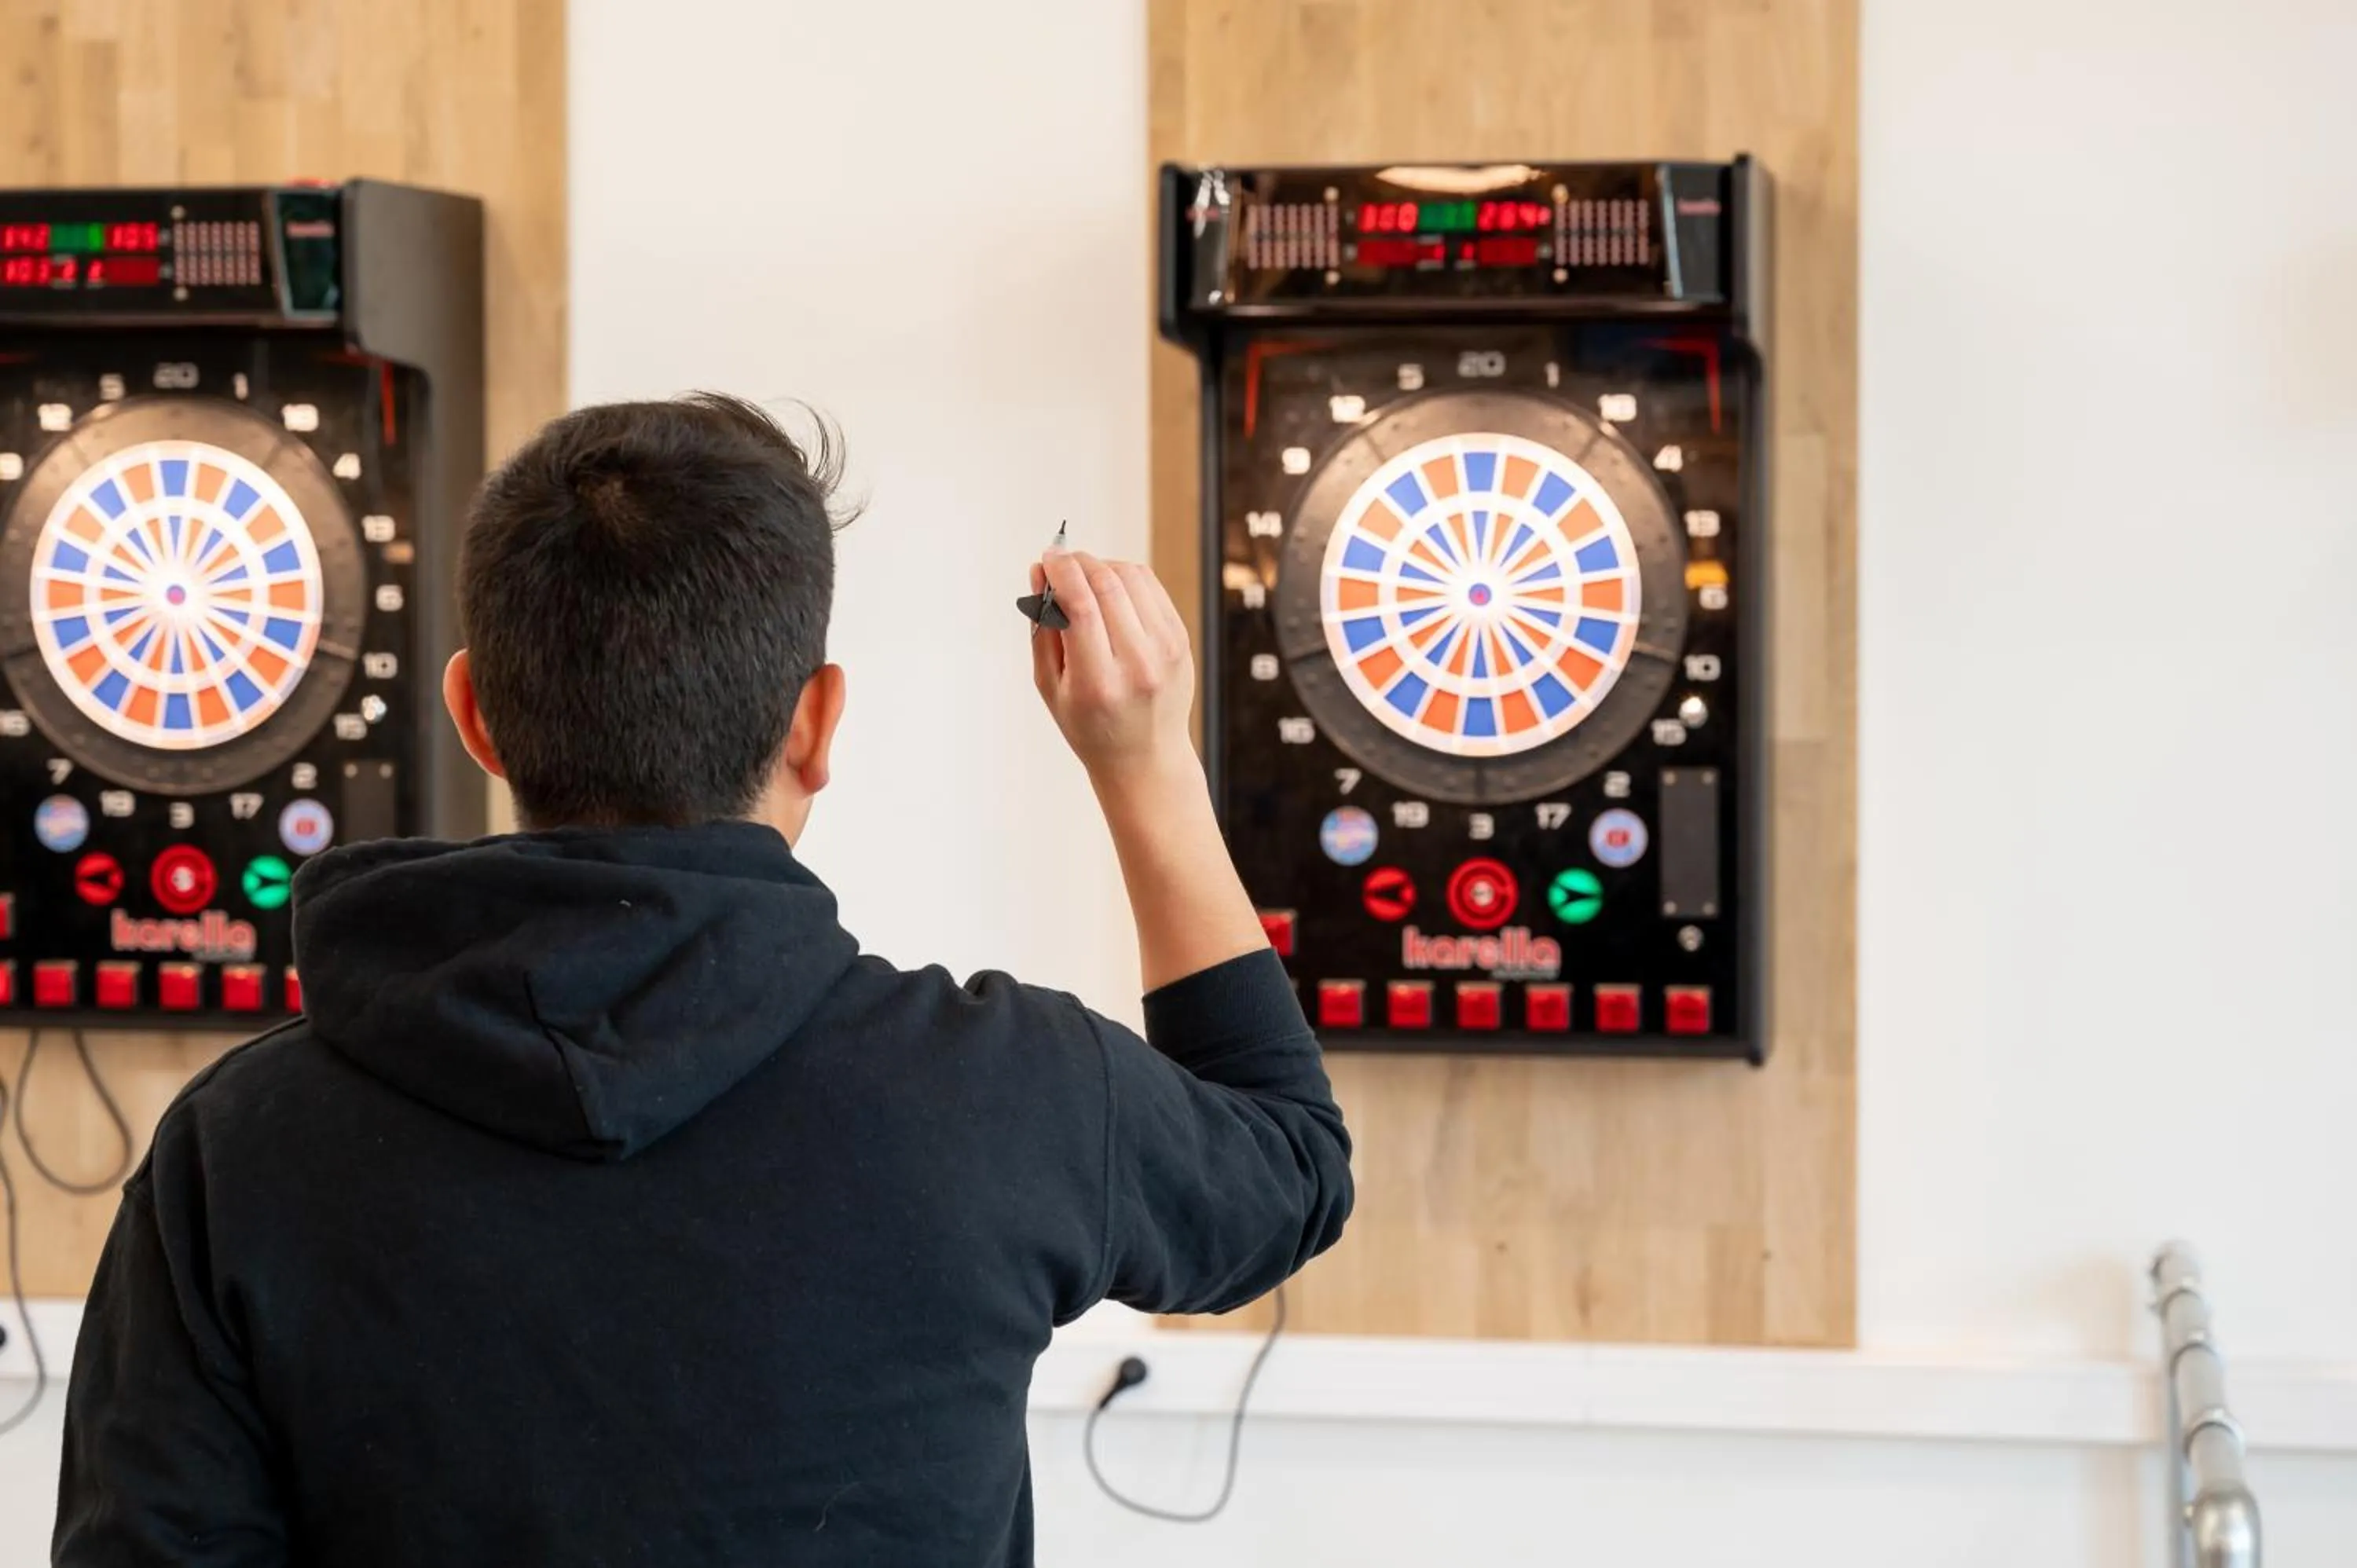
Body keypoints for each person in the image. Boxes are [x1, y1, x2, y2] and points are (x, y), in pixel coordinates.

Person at [53, 394, 1353, 1566]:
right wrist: (1143, 765)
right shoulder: (1010, 1097)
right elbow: (1289, 1164)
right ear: (816, 721)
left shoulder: (236, 1153)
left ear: (475, 714)